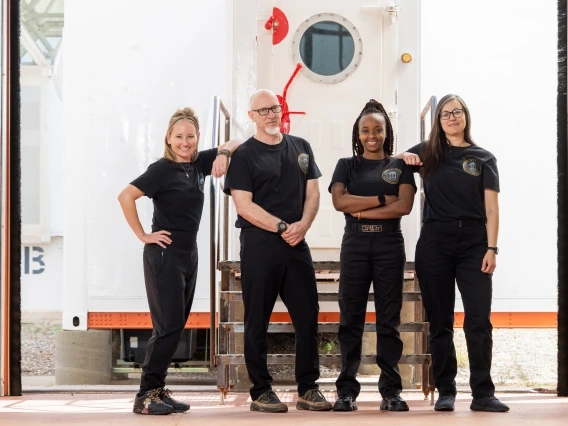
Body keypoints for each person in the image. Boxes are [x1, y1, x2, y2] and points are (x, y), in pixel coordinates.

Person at [118, 107, 242, 415]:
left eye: (190, 136)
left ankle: (158, 389)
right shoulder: (161, 169)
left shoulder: (200, 164)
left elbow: (240, 141)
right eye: (179, 137)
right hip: (165, 255)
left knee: (176, 325)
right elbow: (125, 196)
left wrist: (224, 153)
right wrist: (144, 235)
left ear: (198, 137)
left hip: (188, 254)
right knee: (168, 326)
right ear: (168, 139)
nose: (184, 142)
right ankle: (146, 395)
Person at [223, 89, 332, 413]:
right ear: (252, 116)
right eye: (263, 110)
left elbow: (313, 194)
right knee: (257, 319)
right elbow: (243, 205)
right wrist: (283, 227)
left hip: (297, 244)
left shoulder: (301, 148)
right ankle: (261, 390)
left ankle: (308, 389)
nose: (271, 114)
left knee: (307, 317)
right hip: (260, 245)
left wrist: (303, 226)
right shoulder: (244, 155)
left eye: (275, 107)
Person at [399, 94, 509, 413]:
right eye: (445, 113)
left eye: (456, 112)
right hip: (435, 241)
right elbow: (393, 161)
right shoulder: (428, 153)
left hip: (475, 242)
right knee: (440, 320)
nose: (451, 117)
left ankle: (483, 393)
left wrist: (492, 248)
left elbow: (492, 206)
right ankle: (446, 389)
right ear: (439, 120)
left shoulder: (484, 158)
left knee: (478, 319)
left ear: (465, 116)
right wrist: (403, 158)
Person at [328, 99, 416, 412]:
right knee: (350, 318)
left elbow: (403, 206)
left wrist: (360, 208)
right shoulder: (346, 165)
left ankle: (391, 391)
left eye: (377, 129)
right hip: (354, 245)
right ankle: (346, 391)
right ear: (358, 133)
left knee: (388, 320)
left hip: (390, 245)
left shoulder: (400, 165)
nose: (371, 135)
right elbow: (339, 203)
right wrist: (380, 200)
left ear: (386, 132)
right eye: (365, 130)